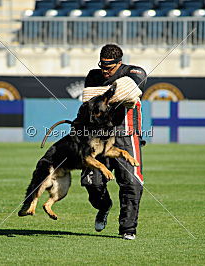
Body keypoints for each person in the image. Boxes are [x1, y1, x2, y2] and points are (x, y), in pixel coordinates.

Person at [81, 44, 147, 240]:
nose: (104, 71)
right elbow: (88, 101)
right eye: (102, 66)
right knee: (92, 182)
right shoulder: (93, 75)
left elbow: (131, 91)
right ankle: (104, 206)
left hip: (126, 135)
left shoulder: (134, 71)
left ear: (120, 63)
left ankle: (128, 229)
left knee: (131, 182)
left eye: (109, 68)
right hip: (98, 136)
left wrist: (104, 96)